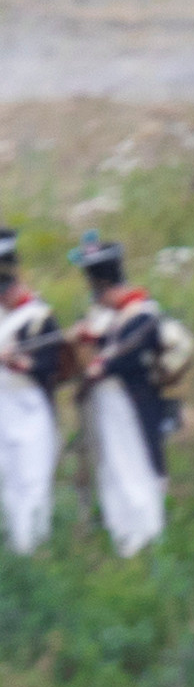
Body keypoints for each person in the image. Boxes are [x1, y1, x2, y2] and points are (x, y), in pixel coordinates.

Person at [67, 234, 181, 558]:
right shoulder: (116, 318)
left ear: (103, 283)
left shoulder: (143, 314)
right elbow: (109, 342)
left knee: (137, 471)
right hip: (113, 406)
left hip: (133, 404)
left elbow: (128, 353)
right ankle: (125, 541)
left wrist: (99, 365)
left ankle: (145, 541)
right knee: (116, 471)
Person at [0, 229, 65, 558]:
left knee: (31, 478)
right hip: (3, 409)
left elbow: (49, 366)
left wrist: (17, 361)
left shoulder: (40, 317)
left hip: (30, 409)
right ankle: (15, 549)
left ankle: (33, 550)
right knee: (7, 482)